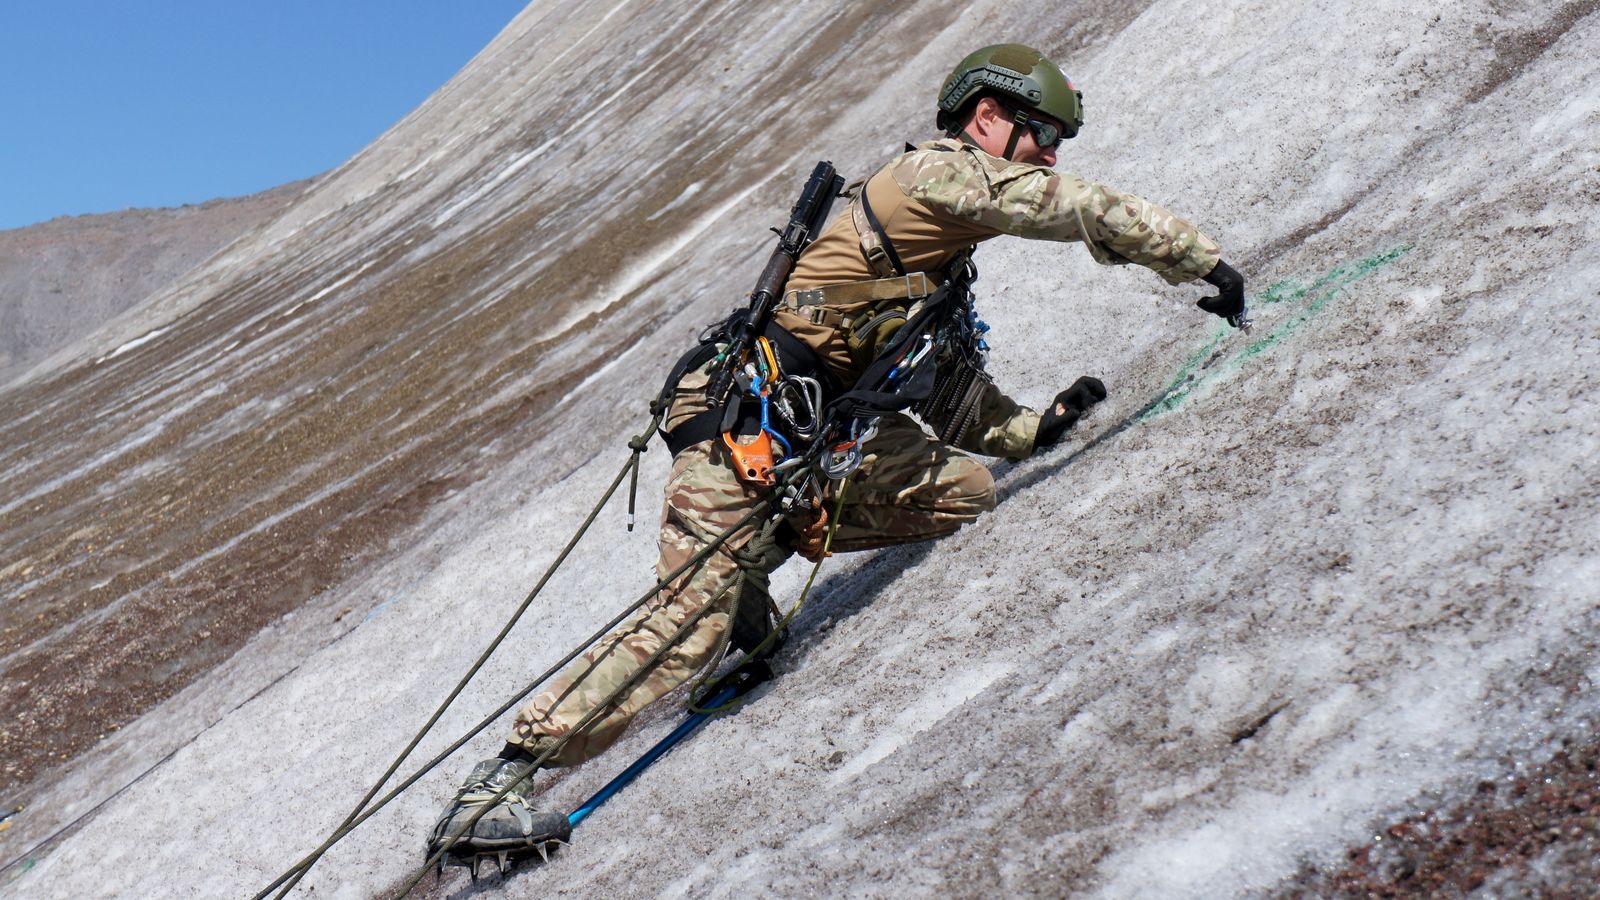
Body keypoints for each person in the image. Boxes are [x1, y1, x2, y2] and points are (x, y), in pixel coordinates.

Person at [426, 43, 1246, 865]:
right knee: (691, 623)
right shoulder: (935, 177)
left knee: (963, 490)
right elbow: (1073, 207)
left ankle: (755, 568)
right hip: (737, 426)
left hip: (811, 432)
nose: (1050, 152)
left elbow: (934, 381)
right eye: (1039, 132)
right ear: (988, 117)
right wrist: (1200, 261)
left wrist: (1027, 433)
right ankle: (496, 785)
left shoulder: (936, 248)